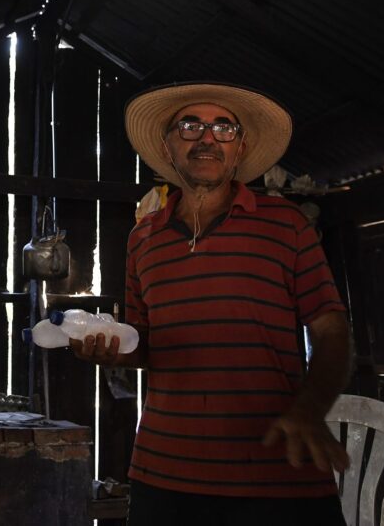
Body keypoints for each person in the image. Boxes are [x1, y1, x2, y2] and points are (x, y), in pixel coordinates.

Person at [72, 82, 352, 526]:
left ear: (239, 148)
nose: (207, 137)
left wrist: (309, 408)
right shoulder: (142, 240)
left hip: (277, 475)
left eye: (224, 127)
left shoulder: (287, 225)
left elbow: (332, 331)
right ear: (168, 147)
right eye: (190, 125)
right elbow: (144, 343)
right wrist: (110, 350)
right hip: (164, 474)